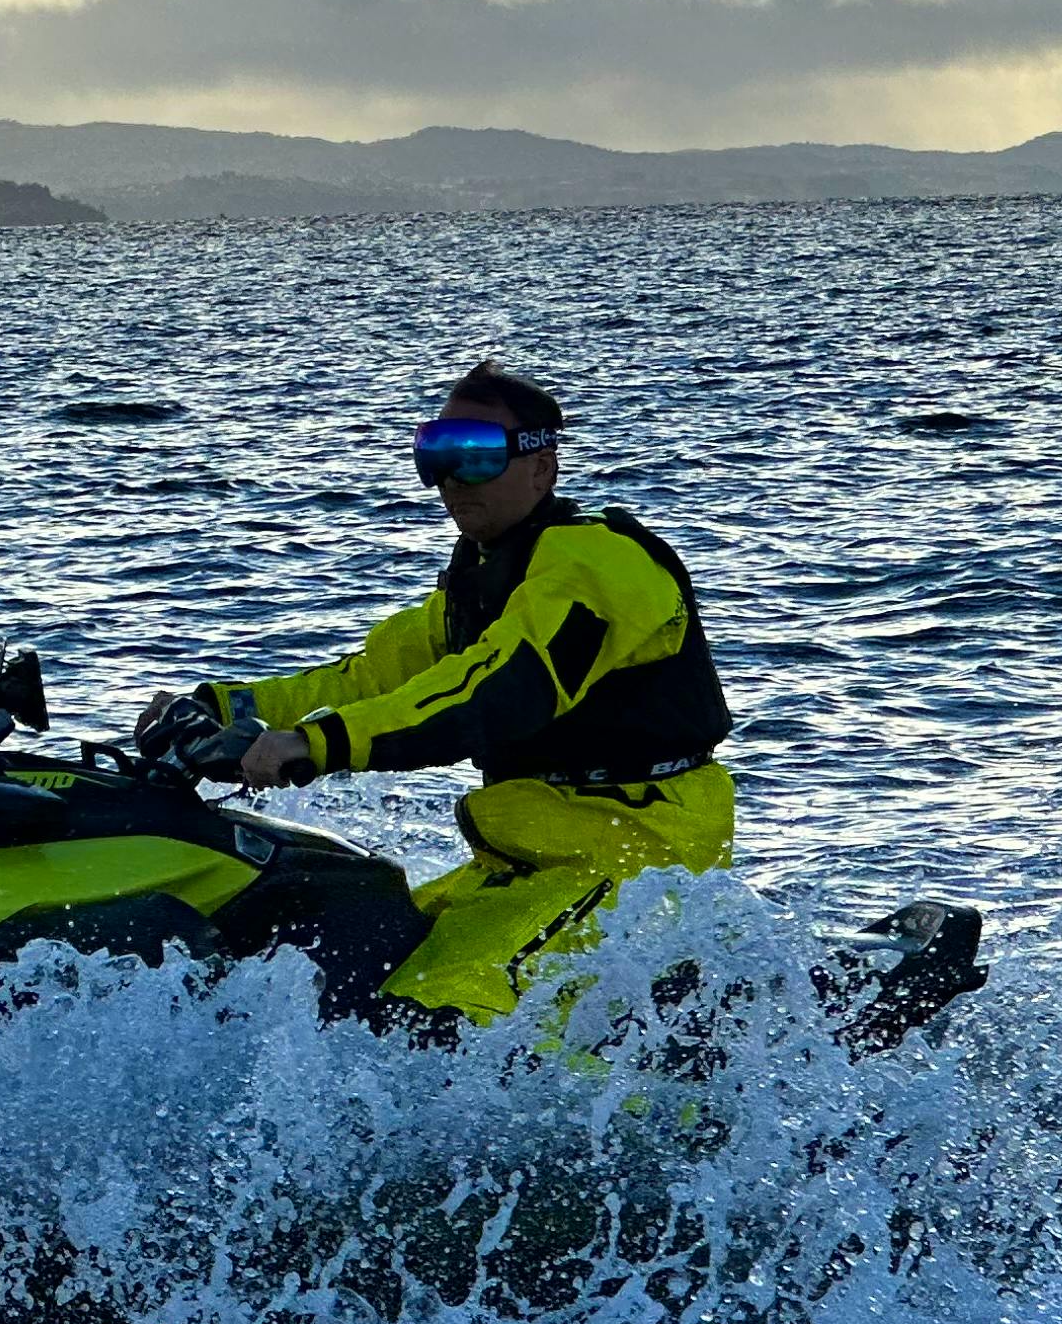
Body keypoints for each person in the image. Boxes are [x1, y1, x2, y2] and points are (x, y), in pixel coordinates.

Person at [145, 360, 735, 1026]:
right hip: (529, 854)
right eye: (437, 453)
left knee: (445, 1003)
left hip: (634, 857)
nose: (451, 478)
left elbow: (488, 691)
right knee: (350, 954)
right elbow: (365, 679)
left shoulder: (600, 567)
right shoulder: (480, 588)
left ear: (542, 467)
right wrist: (219, 709)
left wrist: (317, 743)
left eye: (477, 455)